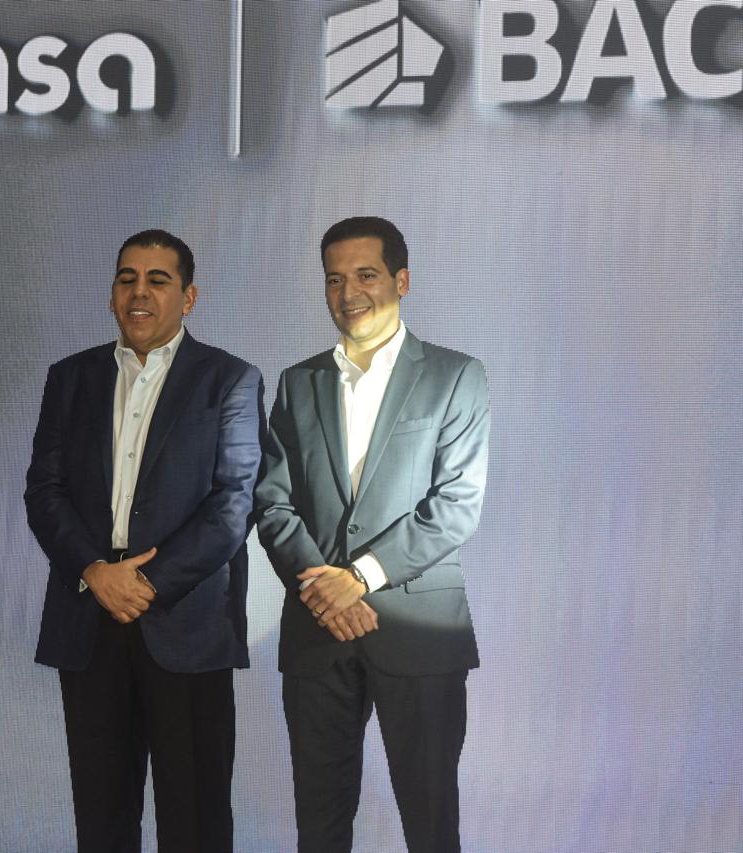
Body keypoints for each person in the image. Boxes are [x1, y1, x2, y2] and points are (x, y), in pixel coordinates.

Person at [255, 216, 490, 853]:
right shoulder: (297, 382)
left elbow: (455, 507)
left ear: (401, 281)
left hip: (419, 632)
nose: (349, 291)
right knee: (319, 825)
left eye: (366, 275)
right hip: (318, 631)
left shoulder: (455, 376)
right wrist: (322, 588)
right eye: (334, 279)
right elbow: (272, 502)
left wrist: (356, 579)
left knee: (431, 823)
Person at [24, 229, 263, 853]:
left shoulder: (229, 379)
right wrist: (94, 570)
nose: (139, 293)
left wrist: (147, 582)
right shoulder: (71, 378)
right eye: (126, 278)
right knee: (102, 817)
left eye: (158, 280)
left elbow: (234, 502)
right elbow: (44, 490)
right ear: (111, 295)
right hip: (90, 616)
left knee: (195, 821)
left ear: (189, 297)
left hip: (186, 623)